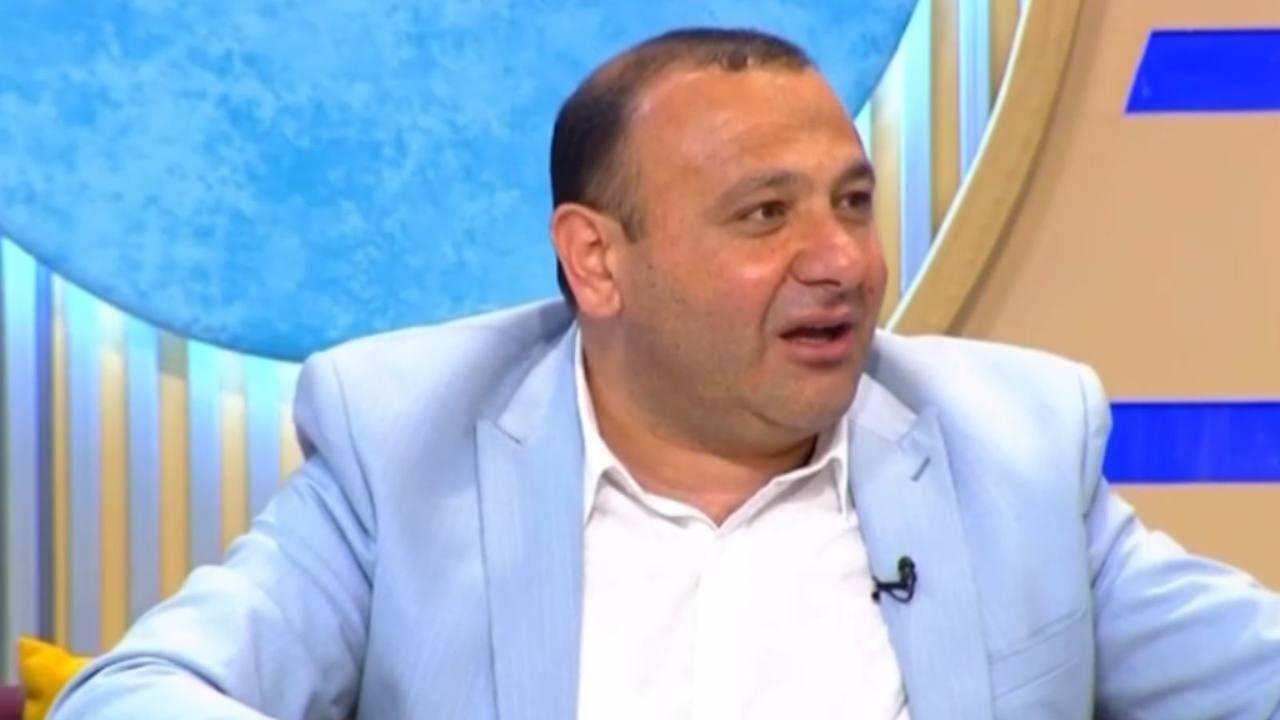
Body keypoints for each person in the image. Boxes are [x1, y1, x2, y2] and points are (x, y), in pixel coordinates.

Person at [51, 27, 1280, 720]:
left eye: (853, 203)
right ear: (596, 260)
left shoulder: (1008, 449)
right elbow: (140, 695)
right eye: (764, 215)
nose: (841, 262)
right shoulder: (406, 445)